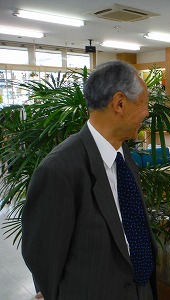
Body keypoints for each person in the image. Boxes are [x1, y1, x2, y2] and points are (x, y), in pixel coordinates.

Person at [21, 60, 158, 300]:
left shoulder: (124, 155)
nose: (146, 112)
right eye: (144, 103)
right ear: (120, 103)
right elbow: (43, 259)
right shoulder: (59, 170)